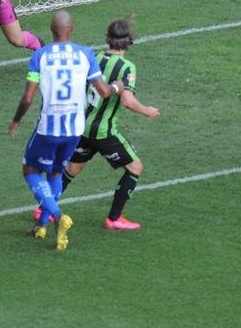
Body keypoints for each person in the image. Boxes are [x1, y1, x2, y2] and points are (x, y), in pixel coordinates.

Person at [9, 10, 121, 251]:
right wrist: (117, 86)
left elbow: (28, 97)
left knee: (30, 170)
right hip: (74, 129)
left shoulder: (40, 56)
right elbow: (103, 92)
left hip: (48, 127)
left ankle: (58, 216)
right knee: (57, 174)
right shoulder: (85, 54)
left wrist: (16, 120)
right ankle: (41, 224)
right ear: (72, 28)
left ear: (51, 28)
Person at [36, 18, 161, 230]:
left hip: (82, 127)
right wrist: (147, 111)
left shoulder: (95, 57)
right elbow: (127, 100)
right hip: (103, 132)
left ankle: (43, 209)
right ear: (129, 40)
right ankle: (114, 219)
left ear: (107, 38)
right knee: (135, 167)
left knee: (72, 169)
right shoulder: (126, 68)